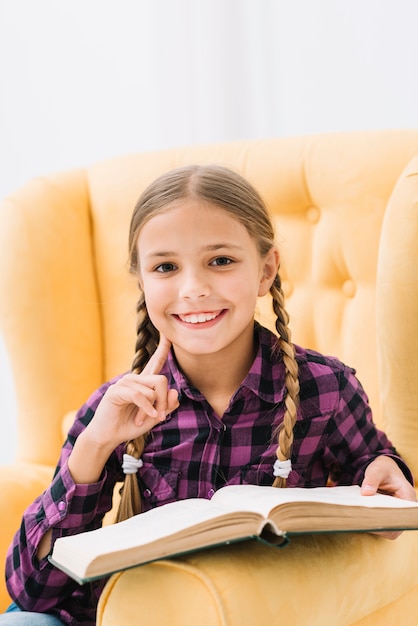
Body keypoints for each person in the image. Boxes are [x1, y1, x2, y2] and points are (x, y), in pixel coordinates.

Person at [2, 164, 416, 625]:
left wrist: (385, 470)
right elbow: (32, 591)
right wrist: (95, 444)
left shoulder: (327, 390)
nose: (194, 289)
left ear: (266, 270)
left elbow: (379, 474)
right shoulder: (114, 408)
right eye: (165, 267)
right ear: (142, 281)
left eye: (220, 261)